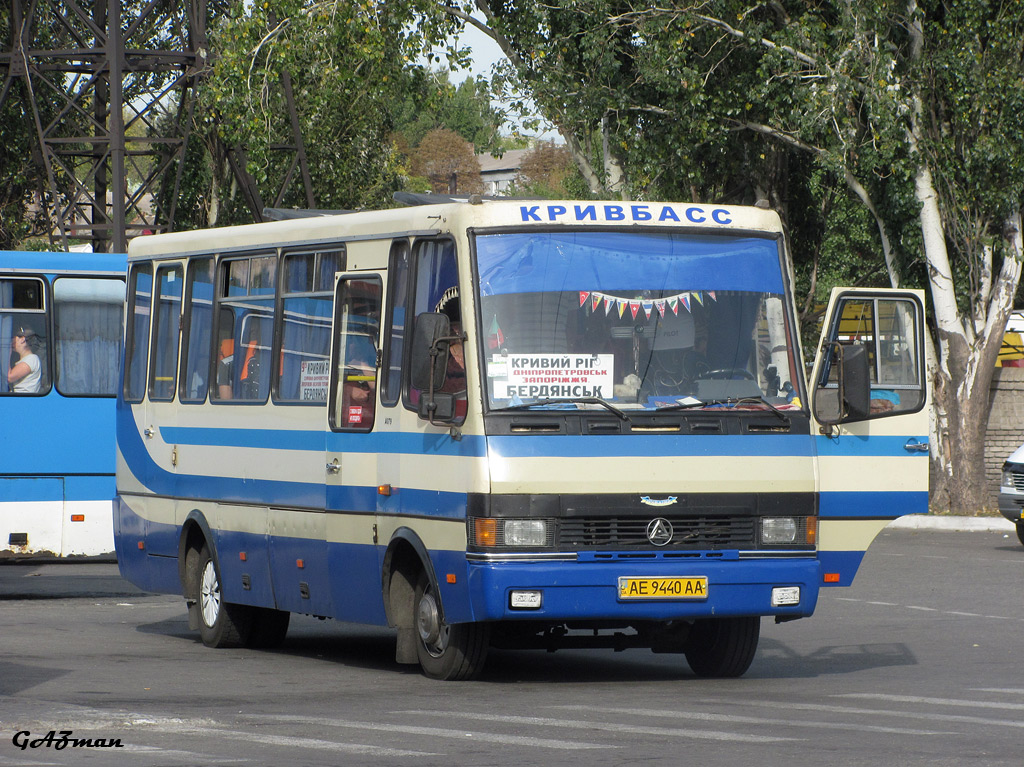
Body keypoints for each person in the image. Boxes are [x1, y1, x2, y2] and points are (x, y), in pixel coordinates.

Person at [8, 327, 43, 393]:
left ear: (22, 339)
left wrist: (7, 353)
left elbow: (9, 377)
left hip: (22, 400)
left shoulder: (32, 359)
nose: (12, 340)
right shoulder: (24, 360)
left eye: (13, 337)